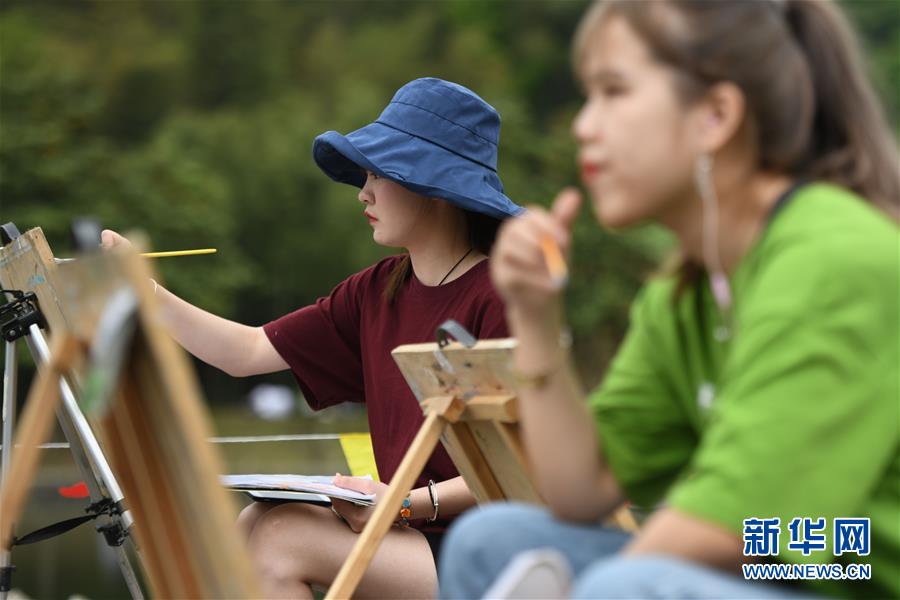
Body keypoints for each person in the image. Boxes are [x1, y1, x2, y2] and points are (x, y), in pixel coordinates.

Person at [439, 1, 899, 598]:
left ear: (715, 115)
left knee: (628, 587)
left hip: (850, 563)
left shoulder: (835, 260)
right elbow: (580, 487)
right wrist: (534, 316)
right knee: (490, 543)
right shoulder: (685, 291)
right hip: (787, 557)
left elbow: (737, 527)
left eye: (613, 91)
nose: (584, 125)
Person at [103, 77, 523, 599]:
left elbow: (521, 469)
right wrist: (145, 296)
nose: (363, 192)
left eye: (378, 173)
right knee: (255, 522)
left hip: (493, 549)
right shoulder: (376, 290)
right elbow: (248, 351)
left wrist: (402, 502)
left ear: (431, 186)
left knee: (282, 537)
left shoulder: (501, 295)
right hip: (410, 533)